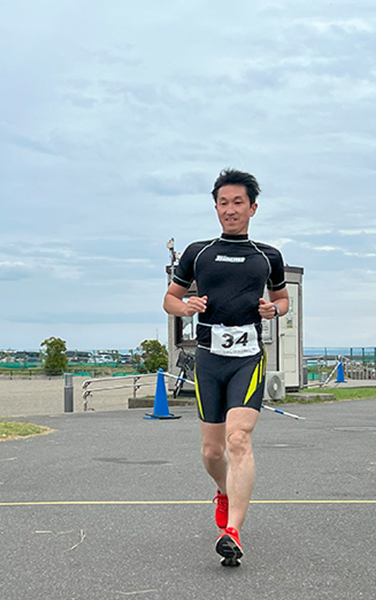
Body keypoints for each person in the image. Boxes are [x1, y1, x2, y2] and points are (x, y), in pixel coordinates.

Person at [163, 168, 288, 567]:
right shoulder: (198, 252)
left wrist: (273, 310)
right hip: (209, 358)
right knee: (213, 450)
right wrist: (186, 307)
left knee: (239, 440)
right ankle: (223, 489)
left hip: (248, 357)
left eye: (238, 203)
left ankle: (232, 530)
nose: (230, 209)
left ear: (253, 207)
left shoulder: (268, 256)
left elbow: (283, 300)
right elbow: (170, 298)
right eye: (223, 203)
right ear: (215, 207)